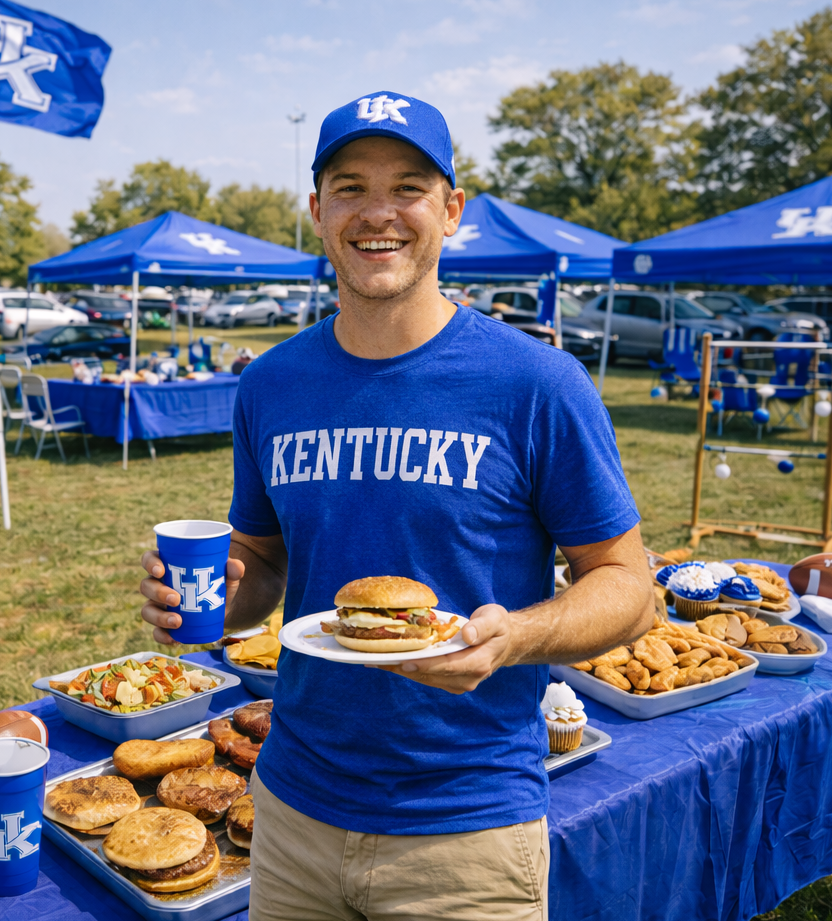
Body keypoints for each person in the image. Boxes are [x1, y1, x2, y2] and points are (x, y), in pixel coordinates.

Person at [138, 91, 654, 921]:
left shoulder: (537, 384)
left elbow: (630, 586)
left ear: (451, 211)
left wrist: (515, 637)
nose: (378, 213)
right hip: (295, 811)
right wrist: (207, 597)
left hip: (468, 830)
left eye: (408, 187)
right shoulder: (271, 384)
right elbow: (265, 563)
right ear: (316, 211)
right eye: (350, 187)